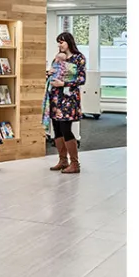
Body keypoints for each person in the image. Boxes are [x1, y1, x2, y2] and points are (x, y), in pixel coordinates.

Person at [45, 32, 86, 174]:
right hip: (55, 98)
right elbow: (53, 74)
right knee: (56, 129)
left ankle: (75, 164)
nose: (59, 45)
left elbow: (82, 79)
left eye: (61, 42)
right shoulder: (57, 58)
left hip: (68, 99)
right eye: (58, 42)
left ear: (69, 42)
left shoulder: (79, 58)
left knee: (66, 129)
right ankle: (63, 161)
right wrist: (49, 74)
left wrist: (64, 83)